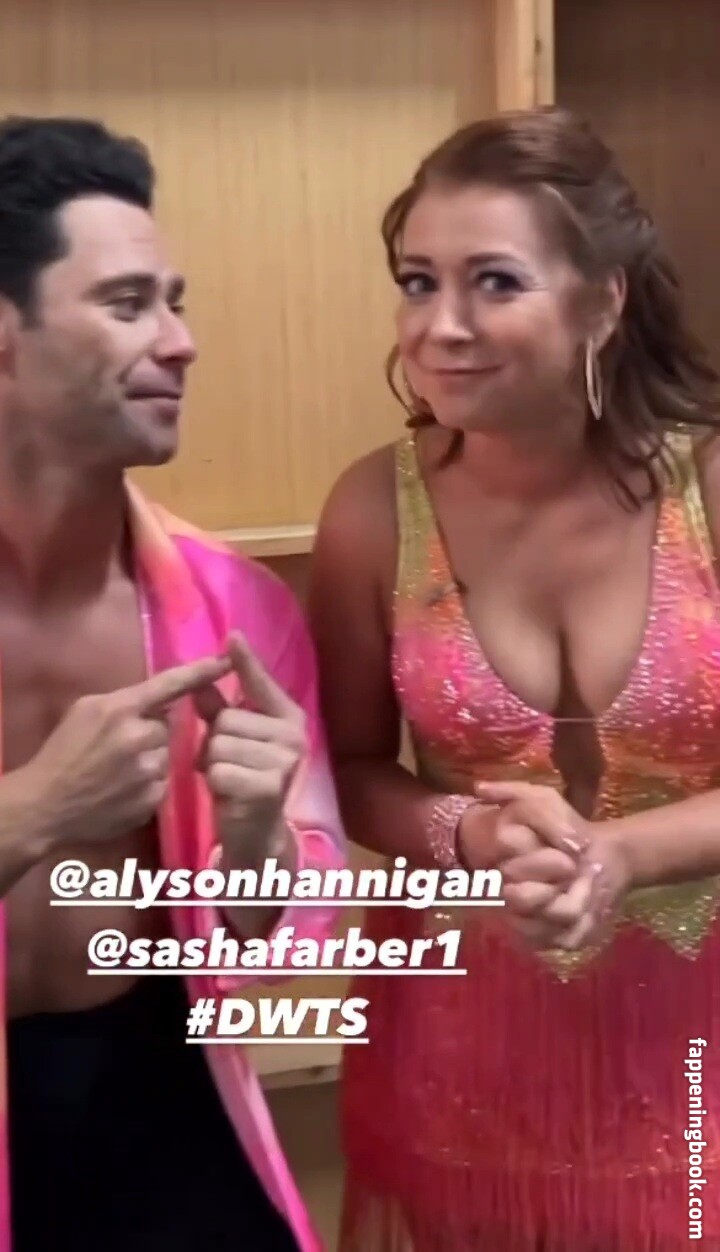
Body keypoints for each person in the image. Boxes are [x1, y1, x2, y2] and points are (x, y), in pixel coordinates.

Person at [307, 105, 720, 1250]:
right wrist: (467, 833)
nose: (442, 326)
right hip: (459, 1041)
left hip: (698, 1038)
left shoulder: (709, 487)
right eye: (417, 281)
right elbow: (344, 767)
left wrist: (619, 856)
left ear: (604, 302)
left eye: (494, 281)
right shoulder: (371, 508)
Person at [0, 114, 345, 1252]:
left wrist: (256, 845)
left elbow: (278, 934)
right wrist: (30, 814)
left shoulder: (235, 609)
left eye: (177, 302)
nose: (181, 342)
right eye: (127, 303)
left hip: (159, 1097)